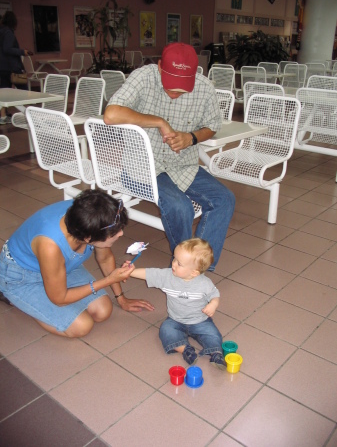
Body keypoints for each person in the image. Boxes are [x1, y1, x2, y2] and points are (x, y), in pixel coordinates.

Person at [104, 42, 235, 271]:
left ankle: (197, 268)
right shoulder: (144, 77)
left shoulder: (204, 87)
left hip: (182, 166)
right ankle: (185, 267)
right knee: (179, 206)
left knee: (225, 199)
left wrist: (191, 138)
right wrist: (159, 121)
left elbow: (213, 126)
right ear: (160, 66)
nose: (174, 94)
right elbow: (111, 114)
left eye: (182, 89)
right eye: (170, 87)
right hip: (141, 167)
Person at [0, 190, 154, 337]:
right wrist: (108, 280)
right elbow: (59, 299)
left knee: (103, 311)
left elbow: (105, 258)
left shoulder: (89, 215)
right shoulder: (50, 246)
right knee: (81, 326)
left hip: (63, 266)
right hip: (20, 276)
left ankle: (39, 304)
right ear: (88, 238)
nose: (121, 234)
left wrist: (121, 298)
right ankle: (24, 302)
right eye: (114, 233)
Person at [126, 238, 226, 369]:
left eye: (179, 263)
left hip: (200, 320)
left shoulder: (204, 284)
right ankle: (185, 349)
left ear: (194, 272)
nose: (173, 264)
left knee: (213, 334)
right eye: (174, 259)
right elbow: (149, 273)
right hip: (175, 320)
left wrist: (213, 304)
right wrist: (129, 271)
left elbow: (215, 295)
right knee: (166, 330)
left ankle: (216, 353)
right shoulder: (167, 276)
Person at [0, 11, 32, 124]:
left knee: (3, 93)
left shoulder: (1, 32)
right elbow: (7, 49)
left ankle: (3, 117)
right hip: (11, 67)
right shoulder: (8, 33)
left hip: (2, 68)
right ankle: (30, 113)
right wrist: (23, 52)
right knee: (24, 90)